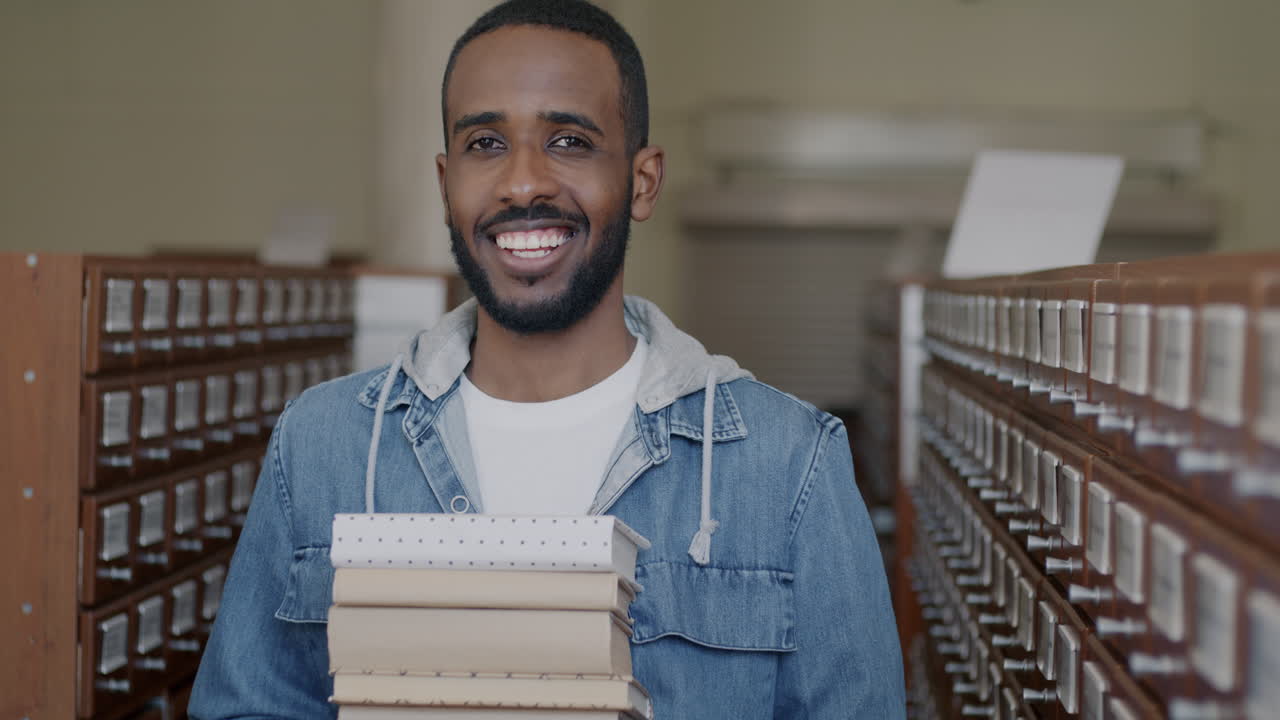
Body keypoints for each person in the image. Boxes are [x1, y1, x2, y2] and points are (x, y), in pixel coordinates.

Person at [189, 1, 905, 717]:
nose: (523, 183)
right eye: (485, 144)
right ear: (446, 184)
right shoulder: (323, 445)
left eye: (568, 140)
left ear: (643, 180)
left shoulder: (789, 466)